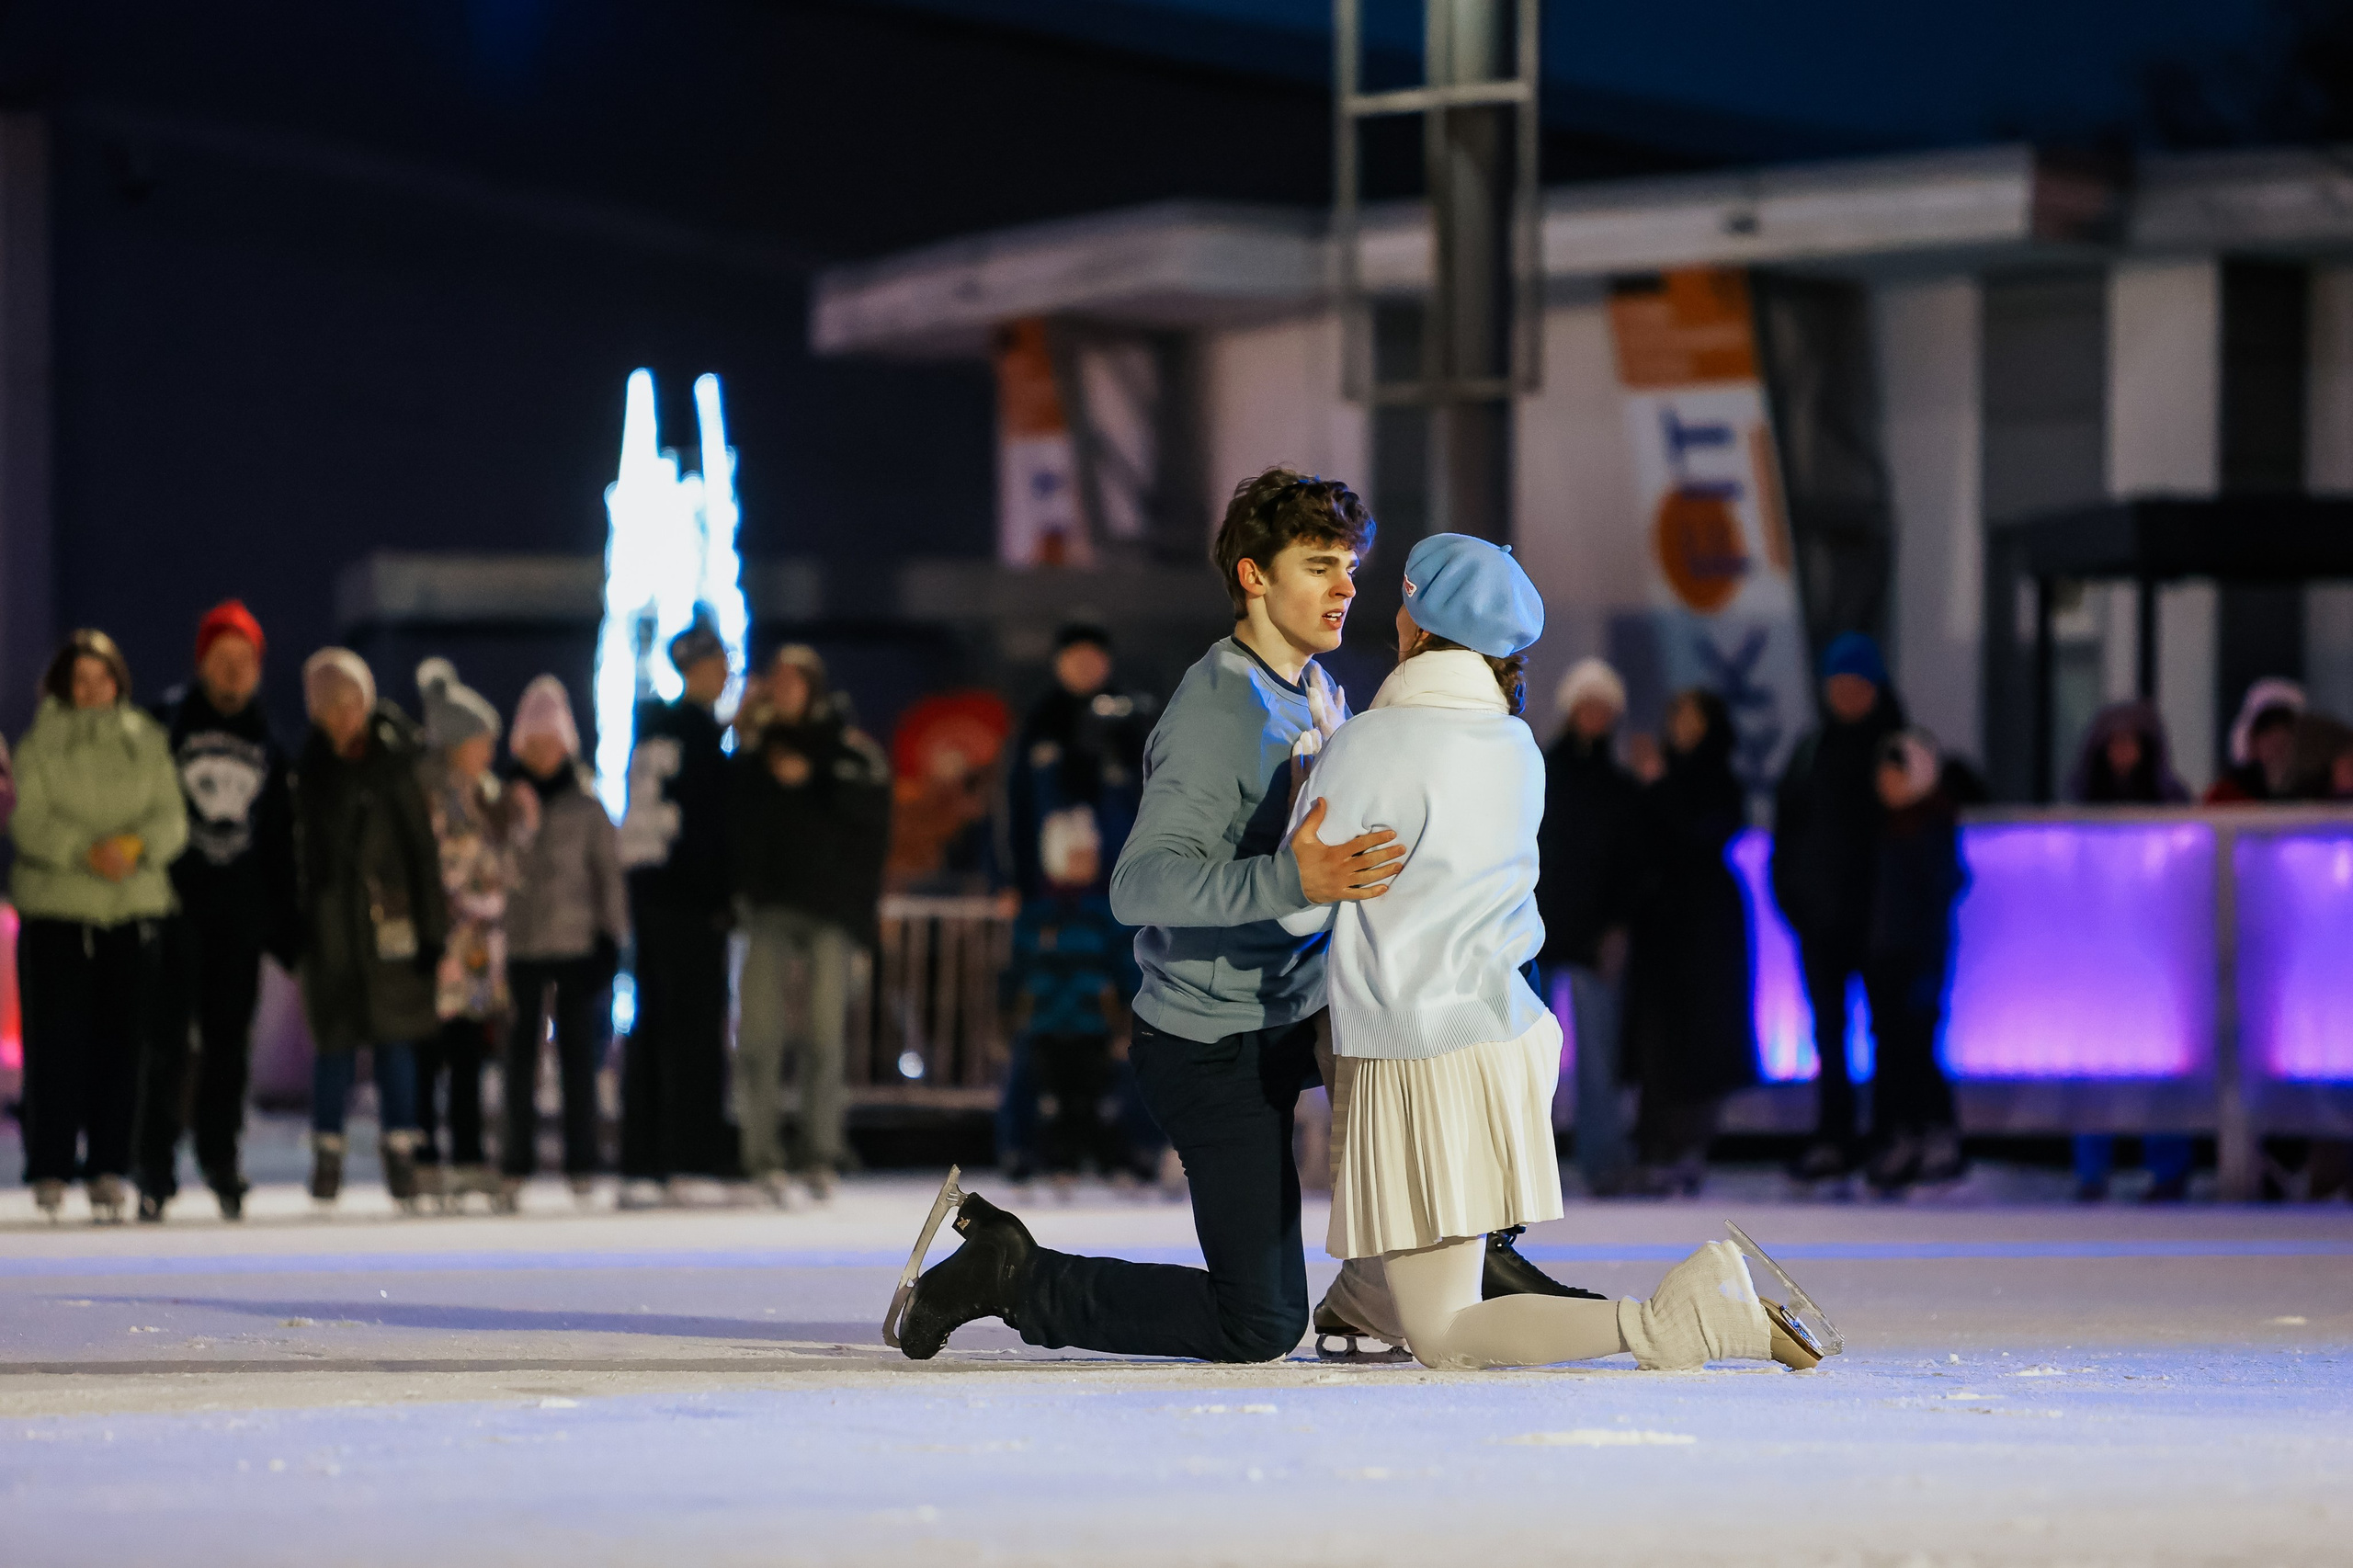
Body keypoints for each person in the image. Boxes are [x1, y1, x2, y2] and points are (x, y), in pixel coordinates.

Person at [888, 469, 1576, 1365]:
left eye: (1352, 567)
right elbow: (1139, 886)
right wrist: (1291, 882)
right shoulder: (1220, 708)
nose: (1345, 587)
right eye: (1319, 564)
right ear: (1253, 576)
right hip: (1211, 1040)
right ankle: (1013, 1273)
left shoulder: (1320, 690)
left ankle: (1448, 1262)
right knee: (1258, 1325)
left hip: (1295, 1010)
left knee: (1469, 1031)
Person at [1296, 536, 1820, 1371]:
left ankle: (1678, 1320)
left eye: (1401, 597)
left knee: (1446, 1332)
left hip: (1417, 1045)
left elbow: (1300, 897)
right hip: (1501, 1031)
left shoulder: (1369, 745)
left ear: (1423, 620)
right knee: (1429, 1288)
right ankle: (1362, 1300)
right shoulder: (1514, 747)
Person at [11, 631, 188, 1223]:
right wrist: (84, 850)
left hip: (132, 909)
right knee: (56, 1045)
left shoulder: (147, 740)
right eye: (79, 679)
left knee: (126, 1047)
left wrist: (132, 848)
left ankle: (113, 1164)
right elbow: (28, 818)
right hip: (57, 912)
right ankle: (52, 1165)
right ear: (63, 685)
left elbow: (171, 817)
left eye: (101, 677)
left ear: (118, 681)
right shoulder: (38, 745)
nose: (91, 690)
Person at [134, 601, 300, 1222]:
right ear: (202, 662)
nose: (233, 673)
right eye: (222, 659)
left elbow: (281, 843)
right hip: (175, 910)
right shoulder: (164, 725)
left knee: (230, 1045)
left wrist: (286, 926)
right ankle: (153, 1163)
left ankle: (221, 1158)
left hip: (241, 916)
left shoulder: (270, 742)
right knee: (166, 1044)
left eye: (244, 661)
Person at [730, 642, 892, 1204]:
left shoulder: (848, 751)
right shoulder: (754, 754)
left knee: (825, 1037)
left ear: (814, 688)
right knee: (760, 1036)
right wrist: (745, 736)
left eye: (796, 682)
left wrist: (815, 773)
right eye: (778, 681)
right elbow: (731, 818)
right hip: (769, 910)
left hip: (831, 914)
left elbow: (872, 822)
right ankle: (761, 1154)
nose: (785, 690)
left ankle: (822, 1151)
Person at [294, 648, 444, 1207]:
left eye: (350, 700)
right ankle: (327, 1156)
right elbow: (298, 859)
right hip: (331, 935)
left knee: (396, 1047)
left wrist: (432, 932)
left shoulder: (396, 767)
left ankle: (400, 1154)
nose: (341, 714)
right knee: (332, 1046)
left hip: (391, 930)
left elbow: (422, 854)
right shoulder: (306, 772)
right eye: (329, 703)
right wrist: (298, 929)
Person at [1771, 631, 1905, 1182]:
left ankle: (1886, 1135)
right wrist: (1794, 902)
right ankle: (1836, 1135)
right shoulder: (1812, 750)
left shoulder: (1896, 749)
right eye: (1838, 686)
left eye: (1855, 686)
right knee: (1828, 1033)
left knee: (1888, 1032)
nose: (1846, 696)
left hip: (1881, 923)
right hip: (1822, 921)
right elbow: (1788, 831)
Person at [616, 614, 737, 1203]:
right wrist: (718, 894)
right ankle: (689, 1159)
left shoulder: (651, 732)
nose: (727, 676)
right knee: (691, 1031)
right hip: (688, 903)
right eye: (719, 666)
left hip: (652, 899)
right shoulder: (695, 735)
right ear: (698, 668)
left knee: (652, 1027)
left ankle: (642, 1162)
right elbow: (708, 829)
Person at [1621, 687, 1756, 1198]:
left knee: (1701, 1034)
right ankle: (1656, 1144)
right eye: (1675, 713)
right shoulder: (1660, 777)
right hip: (1660, 925)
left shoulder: (1718, 779)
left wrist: (1659, 784)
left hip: (1704, 928)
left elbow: (1699, 835)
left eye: (1691, 716)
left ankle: (1688, 1146)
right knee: (1659, 1036)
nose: (1680, 725)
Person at [500, 675, 627, 1208]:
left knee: (580, 1059)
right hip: (522, 946)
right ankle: (514, 1164)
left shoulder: (587, 806)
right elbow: (492, 870)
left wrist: (611, 940)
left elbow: (609, 877)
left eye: (552, 741)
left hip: (577, 946)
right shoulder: (504, 803)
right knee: (518, 1061)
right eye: (534, 742)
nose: (543, 752)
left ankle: (581, 1163)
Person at [2063, 700, 2196, 1203]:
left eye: (2131, 742)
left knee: (2162, 1065)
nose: (2122, 752)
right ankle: (2091, 1169)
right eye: (2113, 742)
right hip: (2100, 953)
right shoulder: (2083, 802)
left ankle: (2169, 1165)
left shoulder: (2169, 799)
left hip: (2156, 954)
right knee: (2095, 1063)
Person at [415, 658, 533, 1210]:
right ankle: (424, 1155)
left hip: (481, 951)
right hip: (444, 945)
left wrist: (516, 829)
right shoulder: (433, 797)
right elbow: (443, 867)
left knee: (468, 1055)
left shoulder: (489, 796)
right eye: (481, 741)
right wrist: (470, 895)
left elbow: (507, 868)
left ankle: (467, 1156)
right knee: (429, 1052)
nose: (490, 751)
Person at [1534, 657, 1640, 1197]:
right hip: (1535, 931)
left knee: (1599, 1058)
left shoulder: (1620, 786)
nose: (1594, 715)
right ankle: (1526, 1170)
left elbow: (1629, 863)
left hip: (1594, 937)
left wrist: (1617, 926)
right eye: (1587, 705)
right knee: (1529, 1060)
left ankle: (1602, 1161)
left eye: (1604, 707)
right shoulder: (1538, 770)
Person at [1004, 805, 1139, 1191]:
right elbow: (1018, 969)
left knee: (1097, 1097)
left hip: (1092, 1024)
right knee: (1050, 1099)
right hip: (1047, 1024)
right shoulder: (1037, 917)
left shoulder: (1102, 913)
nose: (1090, 863)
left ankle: (1107, 1160)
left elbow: (1121, 963)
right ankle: (1049, 1161)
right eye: (1080, 855)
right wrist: (1011, 1008)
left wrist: (1125, 1008)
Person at [1859, 730, 1969, 1195]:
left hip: (1917, 953)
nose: (1886, 783)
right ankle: (1900, 1136)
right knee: (1890, 1047)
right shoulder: (1877, 827)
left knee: (1918, 1047)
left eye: (1896, 773)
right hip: (1882, 952)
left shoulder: (1931, 826)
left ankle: (1935, 1134)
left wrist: (1926, 959)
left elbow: (1938, 895)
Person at [2205, 678, 2304, 804]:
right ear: (2252, 740)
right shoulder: (2226, 795)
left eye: (2288, 734)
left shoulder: (2315, 794)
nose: (2277, 745)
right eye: (2268, 733)